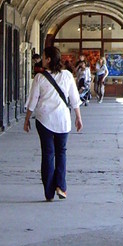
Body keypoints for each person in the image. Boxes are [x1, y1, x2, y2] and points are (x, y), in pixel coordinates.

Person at [24, 46, 83, 201]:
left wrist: (26, 119)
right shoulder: (68, 76)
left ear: (49, 59)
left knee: (48, 154)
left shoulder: (39, 77)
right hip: (63, 120)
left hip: (44, 120)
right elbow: (74, 99)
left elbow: (32, 101)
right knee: (61, 153)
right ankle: (61, 187)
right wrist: (78, 117)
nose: (42, 60)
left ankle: (49, 192)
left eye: (44, 57)